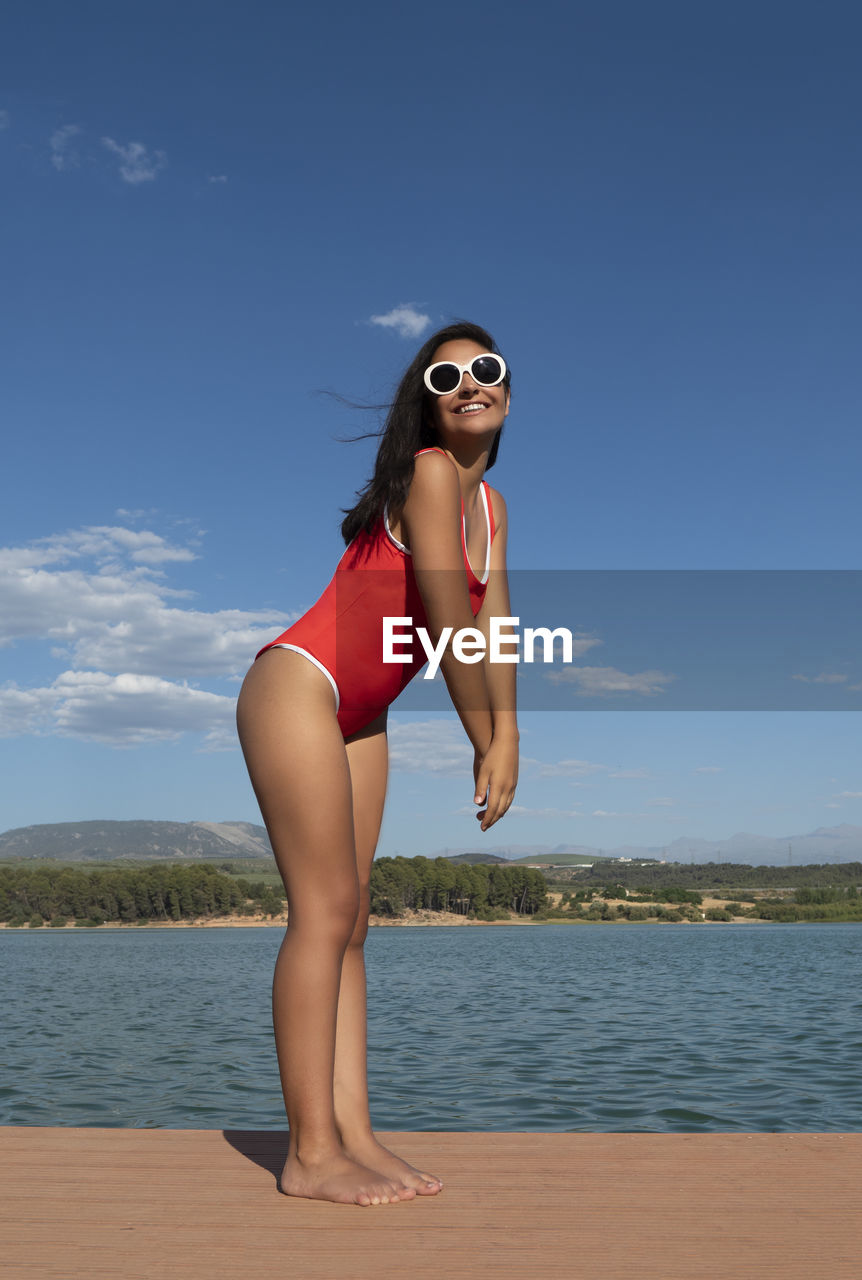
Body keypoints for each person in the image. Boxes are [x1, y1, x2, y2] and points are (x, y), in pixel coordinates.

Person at [236, 320, 519, 1206]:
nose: (469, 384)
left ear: (507, 389)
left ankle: (354, 1134)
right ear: (425, 405)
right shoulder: (431, 474)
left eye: (485, 369)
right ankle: (309, 1153)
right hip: (300, 686)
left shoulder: (492, 506)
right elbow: (443, 618)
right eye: (446, 377)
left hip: (364, 716)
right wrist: (483, 737)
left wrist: (509, 729)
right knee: (321, 914)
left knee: (356, 922)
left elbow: (495, 629)